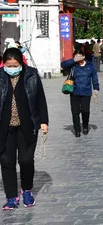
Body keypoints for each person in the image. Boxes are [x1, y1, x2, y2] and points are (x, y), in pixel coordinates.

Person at [0, 47, 48, 210]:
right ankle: (11, 197)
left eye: (15, 65)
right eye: (9, 65)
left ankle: (27, 190)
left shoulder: (31, 74)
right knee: (7, 162)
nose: (12, 69)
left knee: (26, 160)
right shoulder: (0, 76)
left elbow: (40, 98)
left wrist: (44, 120)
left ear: (21, 63)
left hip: (27, 125)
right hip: (4, 127)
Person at [61, 53, 99, 137]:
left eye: (79, 56)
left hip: (86, 92)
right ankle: (77, 130)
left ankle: (85, 126)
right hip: (74, 92)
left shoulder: (90, 66)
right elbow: (63, 65)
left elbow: (94, 77)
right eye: (76, 57)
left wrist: (96, 88)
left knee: (85, 111)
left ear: (84, 56)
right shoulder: (73, 66)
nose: (78, 58)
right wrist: (73, 60)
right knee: (75, 112)